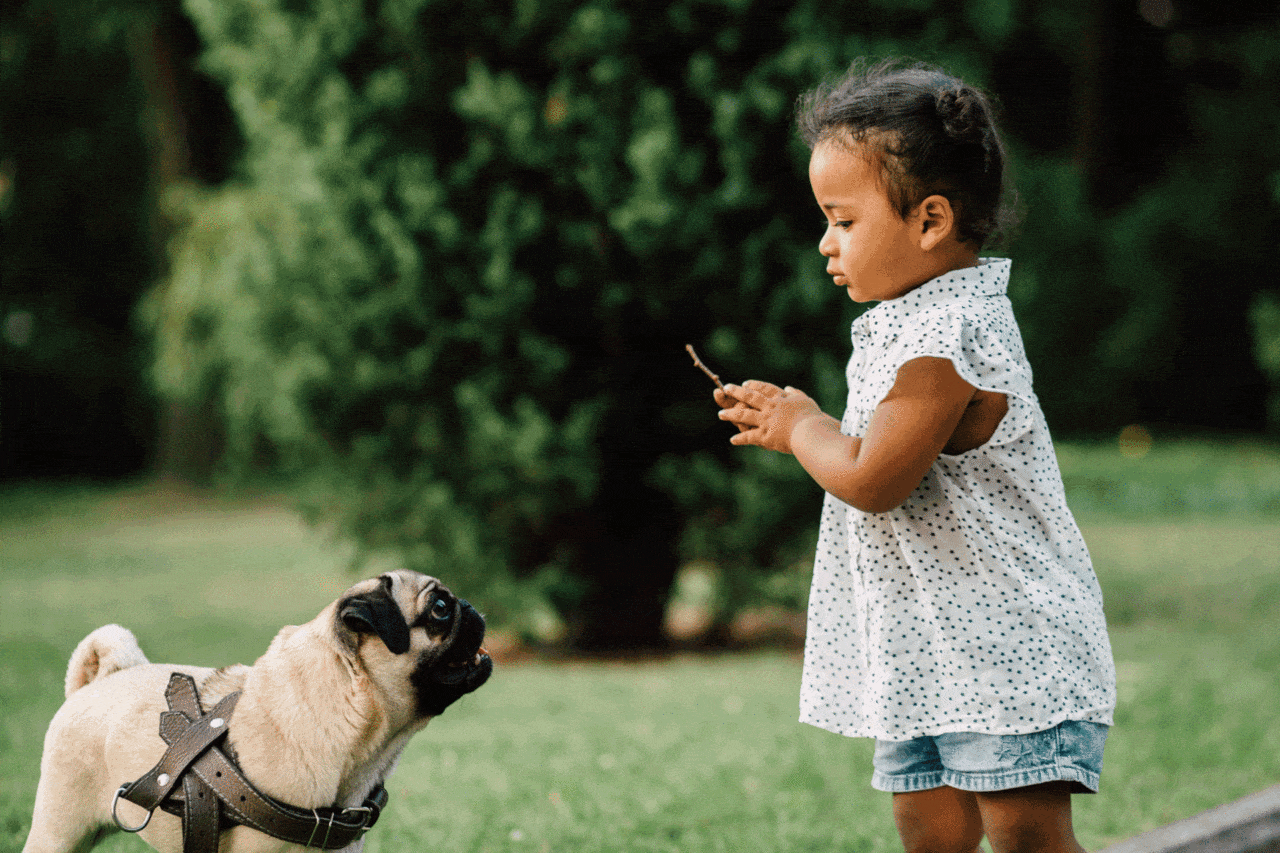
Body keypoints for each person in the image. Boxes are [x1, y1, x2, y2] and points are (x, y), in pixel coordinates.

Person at [714, 60, 1117, 853]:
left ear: (930, 220)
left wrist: (801, 425)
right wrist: (804, 421)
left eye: (843, 219)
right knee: (928, 832)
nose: (825, 242)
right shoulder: (906, 325)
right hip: (927, 651)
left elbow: (874, 478)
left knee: (1026, 836)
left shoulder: (950, 337)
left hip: (1007, 655)